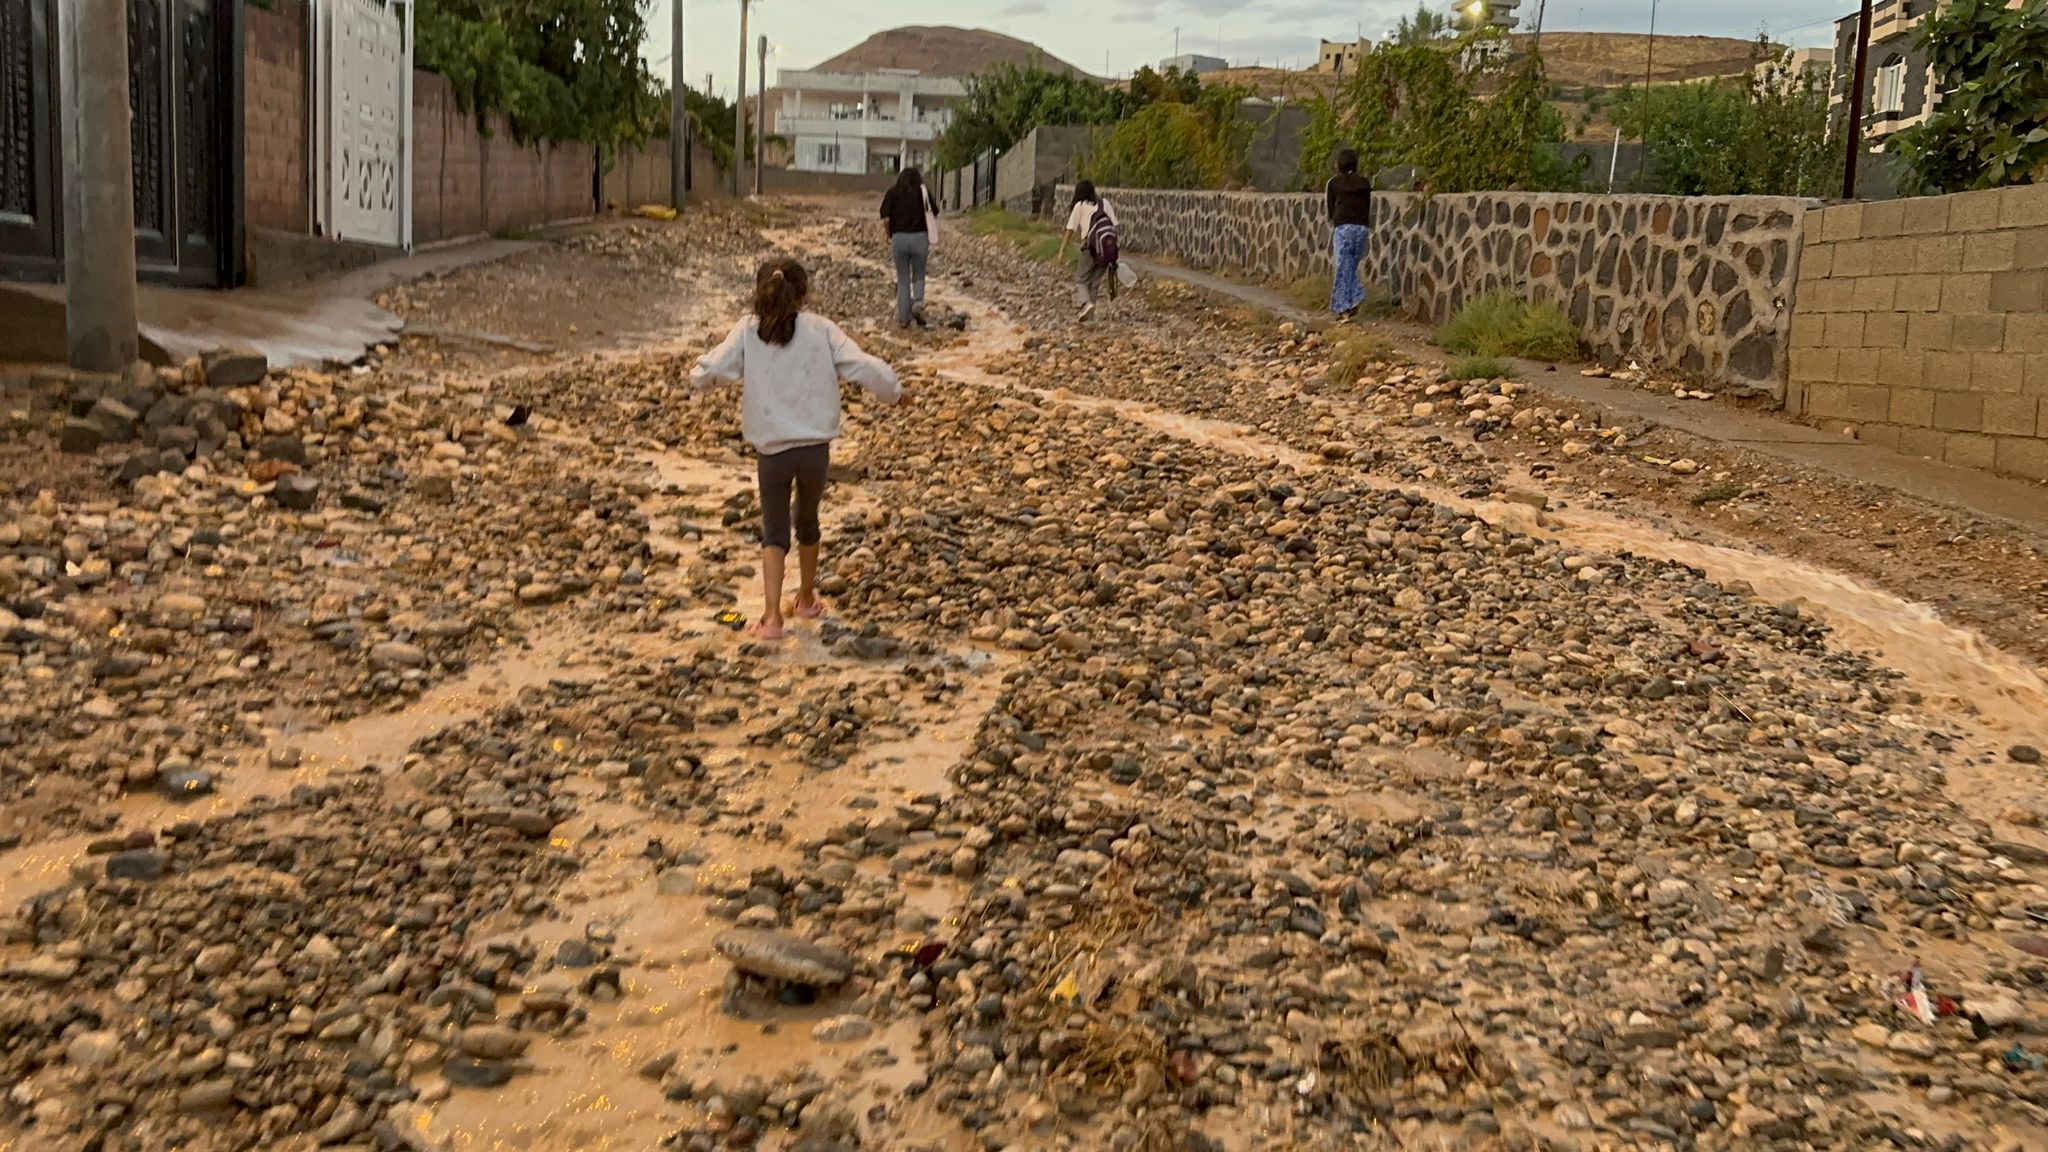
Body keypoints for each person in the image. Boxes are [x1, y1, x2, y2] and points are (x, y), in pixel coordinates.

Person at [690, 258, 909, 641]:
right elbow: (863, 366)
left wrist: (698, 378)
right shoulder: (821, 330)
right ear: (803, 293)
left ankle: (772, 618)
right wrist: (895, 392)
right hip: (814, 450)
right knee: (807, 521)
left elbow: (712, 369)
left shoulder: (747, 331)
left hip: (772, 452)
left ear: (759, 292)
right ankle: (806, 597)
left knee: (773, 530)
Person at [879, 168, 937, 328]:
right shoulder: (923, 192)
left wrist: (888, 234)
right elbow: (933, 212)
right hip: (920, 238)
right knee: (919, 274)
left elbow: (885, 218)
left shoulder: (892, 193)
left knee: (903, 278)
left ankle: (904, 319)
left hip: (899, 238)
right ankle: (918, 303)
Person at [1058, 181, 1118, 322]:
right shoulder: (1105, 203)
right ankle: (1090, 319)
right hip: (1107, 247)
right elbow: (1114, 226)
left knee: (1081, 279)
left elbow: (1070, 229)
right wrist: (1113, 249)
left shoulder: (1080, 206)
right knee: (1094, 282)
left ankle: (1086, 303)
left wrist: (1062, 251)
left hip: (1090, 246)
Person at [1326, 149, 1374, 321]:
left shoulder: (1334, 183)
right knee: (1350, 266)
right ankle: (1349, 305)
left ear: (1339, 164)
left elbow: (1331, 208)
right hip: (1361, 228)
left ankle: (1347, 304)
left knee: (1343, 267)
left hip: (1343, 227)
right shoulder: (1364, 183)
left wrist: (1335, 219)